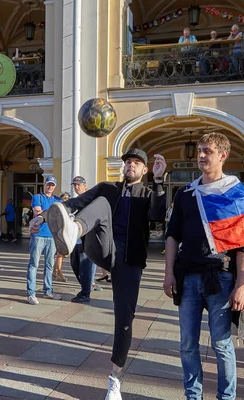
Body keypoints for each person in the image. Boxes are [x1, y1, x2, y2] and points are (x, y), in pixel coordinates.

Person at [31, 149, 167, 399]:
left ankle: (114, 379)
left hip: (130, 260)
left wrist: (159, 181)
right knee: (102, 202)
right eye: (128, 162)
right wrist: (44, 219)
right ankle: (75, 230)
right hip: (101, 246)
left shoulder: (147, 193)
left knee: (124, 320)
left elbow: (157, 216)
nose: (131, 165)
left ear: (144, 170)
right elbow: (73, 203)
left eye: (137, 163)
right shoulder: (108, 188)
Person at [163, 133, 244, 400]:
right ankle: (193, 396)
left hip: (221, 278)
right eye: (200, 150)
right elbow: (172, 235)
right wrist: (168, 274)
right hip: (188, 276)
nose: (201, 155)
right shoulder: (186, 194)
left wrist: (241, 287)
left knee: (222, 344)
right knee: (188, 345)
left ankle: (226, 397)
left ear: (222, 155)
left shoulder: (235, 194)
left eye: (208, 151)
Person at [27, 176, 62, 305]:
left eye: (52, 185)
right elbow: (38, 213)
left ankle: (48, 290)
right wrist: (53, 214)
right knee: (34, 264)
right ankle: (31, 293)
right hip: (38, 235)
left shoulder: (57, 199)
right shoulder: (37, 197)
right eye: (48, 184)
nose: (50, 187)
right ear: (44, 184)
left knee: (49, 265)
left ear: (55, 186)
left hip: (51, 236)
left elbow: (61, 215)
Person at [69, 176, 103, 303]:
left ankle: (85, 293)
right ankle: (85, 288)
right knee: (75, 265)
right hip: (75, 239)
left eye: (79, 185)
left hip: (87, 240)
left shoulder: (91, 201)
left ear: (85, 186)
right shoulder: (75, 201)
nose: (77, 187)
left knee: (85, 267)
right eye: (75, 185)